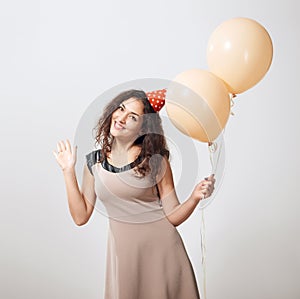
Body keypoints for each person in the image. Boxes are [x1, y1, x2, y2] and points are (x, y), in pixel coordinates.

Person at [53, 89, 215, 299]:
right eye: (121, 109)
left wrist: (194, 196)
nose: (121, 118)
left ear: (143, 128)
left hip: (163, 253)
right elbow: (80, 216)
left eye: (133, 117)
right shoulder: (94, 163)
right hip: (124, 257)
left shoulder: (156, 160)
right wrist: (68, 171)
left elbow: (173, 216)